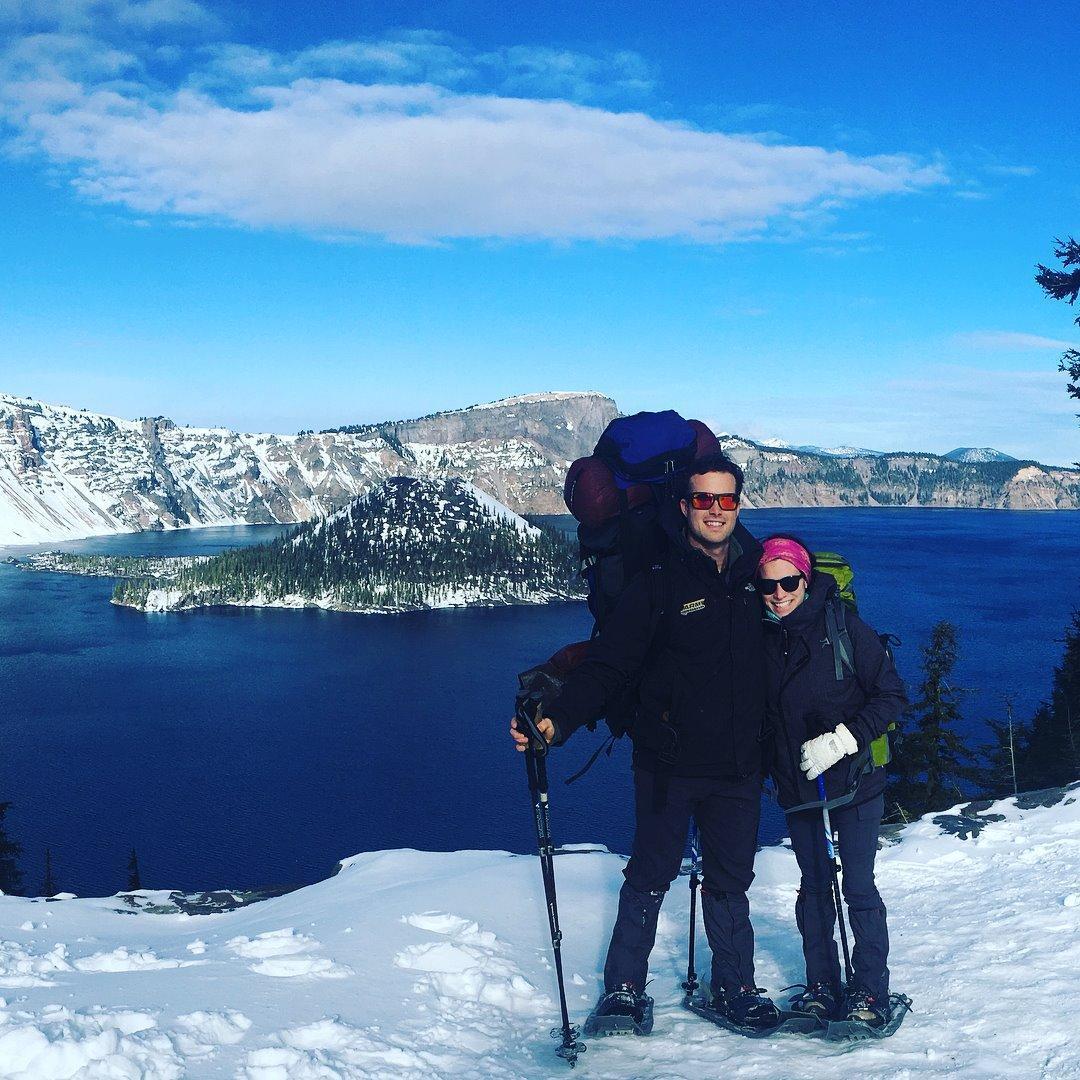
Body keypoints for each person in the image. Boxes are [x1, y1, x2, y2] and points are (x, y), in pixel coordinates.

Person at [510, 451, 778, 1033]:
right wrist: (556, 721)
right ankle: (624, 992)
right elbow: (609, 666)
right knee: (650, 875)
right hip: (668, 763)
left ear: (738, 505)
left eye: (725, 499)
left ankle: (733, 988)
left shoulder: (761, 579)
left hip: (738, 768)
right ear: (682, 507)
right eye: (702, 499)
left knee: (731, 883)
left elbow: (799, 649)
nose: (714, 510)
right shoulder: (655, 586)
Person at [756, 534, 907, 1028]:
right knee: (815, 887)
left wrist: (842, 741)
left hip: (855, 780)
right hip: (800, 786)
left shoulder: (844, 627)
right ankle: (822, 984)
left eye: (789, 581)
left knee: (858, 887)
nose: (779, 593)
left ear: (806, 578)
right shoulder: (762, 636)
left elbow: (890, 696)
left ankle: (869, 991)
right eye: (768, 584)